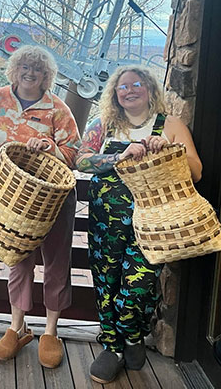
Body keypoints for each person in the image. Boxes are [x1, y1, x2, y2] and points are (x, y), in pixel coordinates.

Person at [76, 65, 202, 383]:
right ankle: (113, 347)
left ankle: (132, 333)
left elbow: (197, 171)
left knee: (137, 286)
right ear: (114, 95)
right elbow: (82, 159)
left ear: (149, 89)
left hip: (152, 225)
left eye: (136, 84)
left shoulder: (170, 125)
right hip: (105, 223)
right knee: (106, 283)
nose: (129, 90)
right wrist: (117, 157)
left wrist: (171, 150)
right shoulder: (103, 124)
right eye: (122, 87)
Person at [0, 45, 81, 368]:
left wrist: (51, 148)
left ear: (46, 76)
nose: (29, 72)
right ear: (14, 69)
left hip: (53, 202)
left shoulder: (57, 109)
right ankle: (17, 327)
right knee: (18, 263)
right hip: (13, 201)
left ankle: (51, 331)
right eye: (24, 66)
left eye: (37, 69)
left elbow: (75, 153)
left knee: (55, 263)